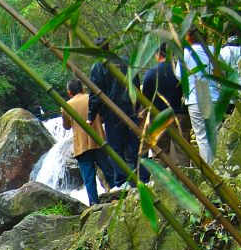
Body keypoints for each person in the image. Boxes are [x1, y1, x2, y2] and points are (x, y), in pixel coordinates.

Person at [87, 37, 148, 186]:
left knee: (116, 149)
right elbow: (135, 84)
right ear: (110, 47)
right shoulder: (126, 62)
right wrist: (138, 106)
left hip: (112, 113)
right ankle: (144, 178)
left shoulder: (98, 67)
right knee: (136, 145)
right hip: (130, 109)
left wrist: (91, 116)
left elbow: (95, 94)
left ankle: (122, 182)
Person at [62, 78, 115, 206]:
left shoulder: (66, 106)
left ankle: (95, 204)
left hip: (81, 146)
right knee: (109, 172)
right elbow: (102, 116)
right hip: (98, 142)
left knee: (89, 179)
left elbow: (67, 126)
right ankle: (117, 196)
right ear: (83, 88)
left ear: (69, 93)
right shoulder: (93, 99)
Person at [141, 43, 191, 166]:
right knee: (183, 151)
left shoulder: (151, 73)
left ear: (158, 56)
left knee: (160, 154)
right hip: (181, 115)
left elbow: (145, 100)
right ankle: (187, 182)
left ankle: (161, 183)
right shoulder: (180, 69)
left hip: (159, 118)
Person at [178, 28, 218, 163]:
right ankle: (220, 166)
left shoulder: (185, 54)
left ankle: (210, 169)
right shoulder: (212, 51)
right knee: (215, 133)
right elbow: (222, 71)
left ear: (188, 36)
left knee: (202, 137)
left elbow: (179, 75)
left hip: (195, 98)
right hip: (213, 96)